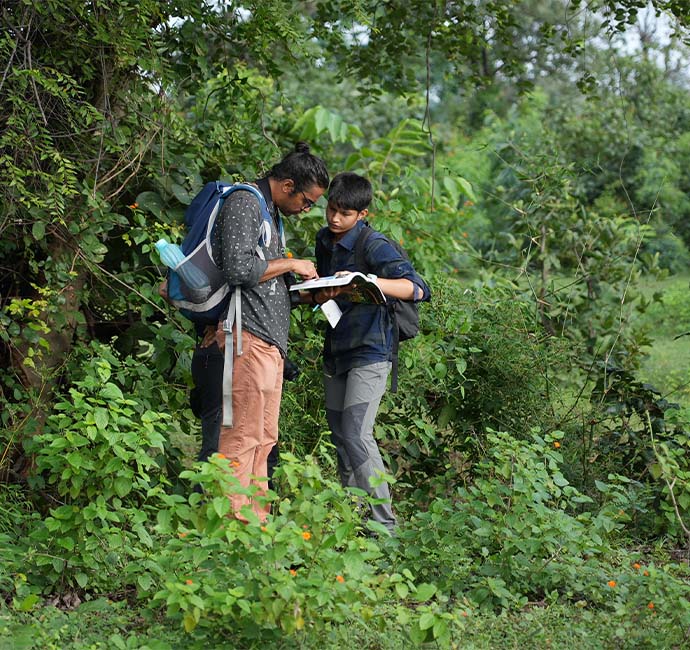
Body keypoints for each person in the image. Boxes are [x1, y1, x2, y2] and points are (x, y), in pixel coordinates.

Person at [208, 142, 329, 522]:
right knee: (242, 436)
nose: (306, 210)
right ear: (288, 184)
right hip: (247, 337)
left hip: (268, 344)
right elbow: (238, 269)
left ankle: (254, 528)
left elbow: (265, 280)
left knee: (264, 438)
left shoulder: (270, 213)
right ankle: (229, 529)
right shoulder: (246, 201)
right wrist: (291, 261)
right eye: (307, 202)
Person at [310, 172, 430, 534]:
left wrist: (371, 281)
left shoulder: (374, 244)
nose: (335, 218)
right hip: (337, 347)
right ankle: (353, 519)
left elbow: (417, 288)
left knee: (357, 432)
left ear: (362, 214)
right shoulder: (323, 240)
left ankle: (384, 526)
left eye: (344, 213)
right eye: (331, 209)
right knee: (339, 433)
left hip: (372, 350)